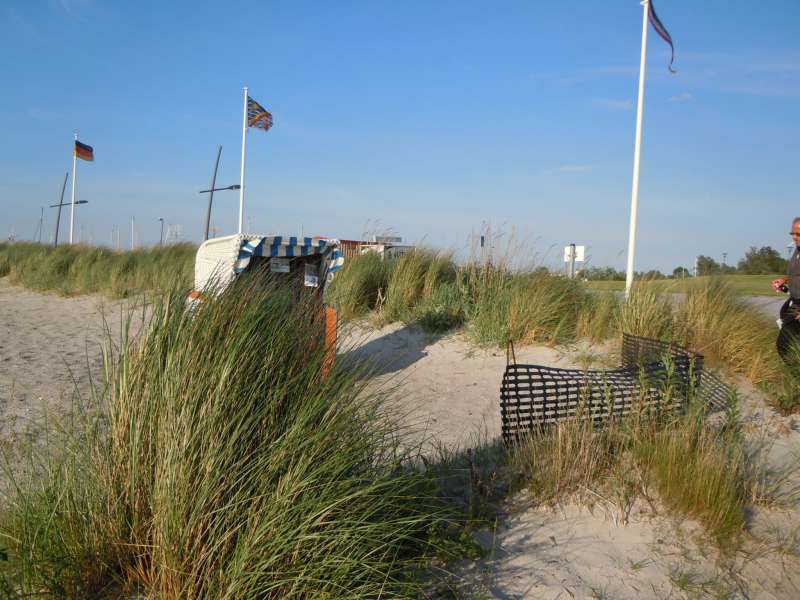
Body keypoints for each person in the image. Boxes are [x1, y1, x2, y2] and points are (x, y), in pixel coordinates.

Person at [773, 217, 800, 362]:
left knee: (783, 344)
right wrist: (784, 280)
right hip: (795, 302)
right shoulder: (797, 250)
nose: (795, 237)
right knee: (785, 344)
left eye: (798, 234)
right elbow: (795, 273)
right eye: (793, 234)